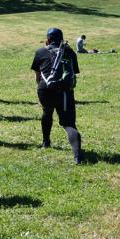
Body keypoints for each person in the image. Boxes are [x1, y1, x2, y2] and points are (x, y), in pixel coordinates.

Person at [31, 28, 84, 164]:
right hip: (65, 92)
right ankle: (77, 156)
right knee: (69, 124)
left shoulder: (40, 52)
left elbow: (37, 76)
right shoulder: (70, 52)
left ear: (48, 39)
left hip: (45, 90)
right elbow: (72, 74)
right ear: (61, 39)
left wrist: (45, 87)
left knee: (47, 112)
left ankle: (45, 142)